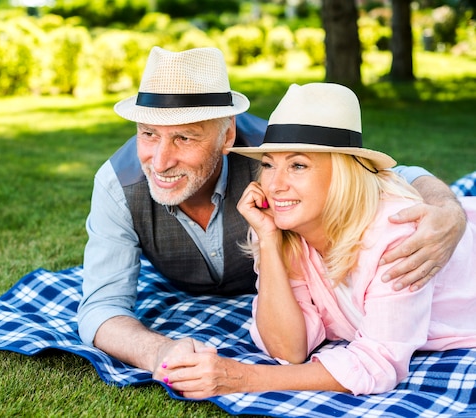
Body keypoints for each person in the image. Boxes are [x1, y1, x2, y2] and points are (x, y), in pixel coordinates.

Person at [77, 46, 467, 375]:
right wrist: (159, 352)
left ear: (227, 135)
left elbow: (385, 175)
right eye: (148, 134)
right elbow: (100, 307)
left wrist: (447, 209)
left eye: (184, 137)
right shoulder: (118, 185)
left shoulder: (273, 148)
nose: (160, 161)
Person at [157, 82, 476, 398]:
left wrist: (243, 378)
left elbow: (376, 364)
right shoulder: (291, 230)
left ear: (342, 174)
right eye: (268, 165)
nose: (275, 185)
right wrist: (268, 241)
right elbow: (287, 348)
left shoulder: (395, 237)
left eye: (297, 165)